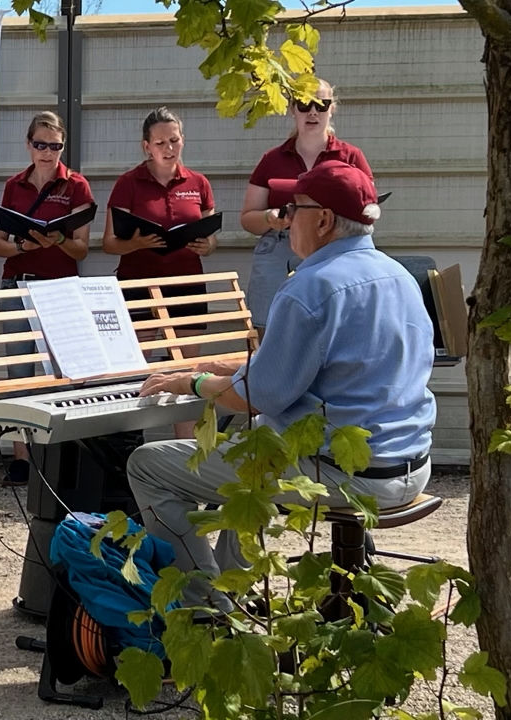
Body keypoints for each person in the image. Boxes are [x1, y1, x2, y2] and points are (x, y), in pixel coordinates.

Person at [127, 161, 435, 612]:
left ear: (324, 219)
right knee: (253, 448)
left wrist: (192, 381)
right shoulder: (401, 277)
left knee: (147, 464)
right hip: (410, 467)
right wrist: (222, 362)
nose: (285, 219)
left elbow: (258, 396)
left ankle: (207, 608)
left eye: (292, 209)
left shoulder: (310, 286)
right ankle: (234, 589)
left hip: (344, 476)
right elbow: (326, 361)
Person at [0, 111, 93, 486]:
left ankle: (57, 455)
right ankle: (21, 458)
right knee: (19, 374)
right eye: (40, 145)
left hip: (60, 287)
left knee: (61, 373)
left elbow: (82, 249)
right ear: (28, 145)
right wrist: (22, 244)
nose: (48, 153)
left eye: (55, 146)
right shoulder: (15, 186)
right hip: (19, 283)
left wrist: (60, 240)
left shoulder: (77, 186)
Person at [102, 107, 217, 440]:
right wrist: (136, 242)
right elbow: (109, 243)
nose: (169, 148)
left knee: (187, 368)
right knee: (137, 366)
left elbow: (211, 238)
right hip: (139, 282)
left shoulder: (199, 183)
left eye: (175, 140)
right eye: (161, 142)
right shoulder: (128, 183)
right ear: (146, 147)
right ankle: (130, 444)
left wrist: (206, 246)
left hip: (186, 283)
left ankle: (185, 448)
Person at [240, 80, 372, 333]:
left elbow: (369, 210)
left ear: (331, 109)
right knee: (268, 328)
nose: (313, 112)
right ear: (292, 109)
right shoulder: (272, 159)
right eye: (304, 104)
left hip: (334, 247)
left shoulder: (351, 156)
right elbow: (247, 218)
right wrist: (270, 218)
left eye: (321, 105)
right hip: (281, 243)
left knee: (332, 326)